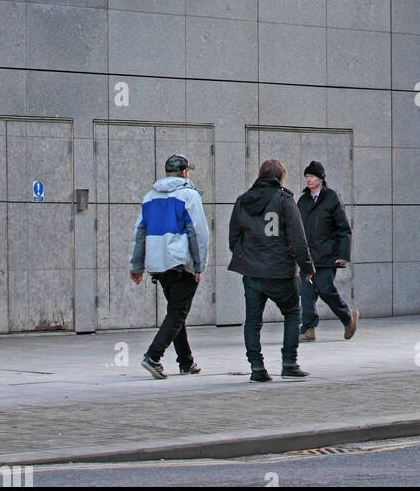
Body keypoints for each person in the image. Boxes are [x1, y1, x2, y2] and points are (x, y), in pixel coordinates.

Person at [228, 158, 315, 381]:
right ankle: (289, 363)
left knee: (253, 321)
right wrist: (307, 266)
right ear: (280, 177)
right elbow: (298, 238)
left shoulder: (242, 201)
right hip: (281, 271)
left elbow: (233, 238)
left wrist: (246, 258)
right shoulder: (285, 200)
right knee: (292, 314)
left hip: (252, 272)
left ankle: (257, 368)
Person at [130, 154, 209, 380]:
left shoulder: (149, 197)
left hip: (157, 263)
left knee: (176, 311)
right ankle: (153, 356)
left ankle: (186, 361)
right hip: (180, 262)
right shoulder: (189, 196)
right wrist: (198, 265)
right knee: (178, 312)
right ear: (185, 173)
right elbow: (198, 232)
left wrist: (137, 266)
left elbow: (139, 233)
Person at [297, 161, 358, 341]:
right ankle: (308, 329)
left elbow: (344, 228)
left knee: (325, 289)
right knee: (306, 293)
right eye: (306, 176)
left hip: (326, 255)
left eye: (312, 176)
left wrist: (343, 255)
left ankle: (348, 317)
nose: (308, 180)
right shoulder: (303, 200)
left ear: (321, 179)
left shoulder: (332, 198)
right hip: (307, 257)